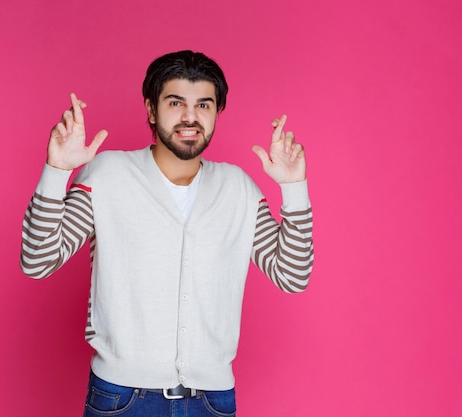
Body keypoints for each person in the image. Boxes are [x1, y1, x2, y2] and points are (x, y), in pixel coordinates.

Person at [20, 50, 313, 417]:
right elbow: (37, 261)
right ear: (151, 110)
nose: (190, 116)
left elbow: (292, 275)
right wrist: (57, 170)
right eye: (176, 102)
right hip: (121, 400)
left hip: (212, 401)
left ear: (216, 113)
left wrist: (294, 188)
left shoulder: (238, 188)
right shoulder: (108, 175)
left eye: (204, 105)